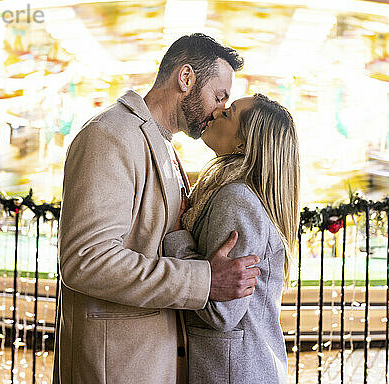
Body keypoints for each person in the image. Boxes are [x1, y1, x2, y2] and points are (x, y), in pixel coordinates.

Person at [54, 33, 261, 384]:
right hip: (115, 366)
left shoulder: (163, 144)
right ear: (186, 78)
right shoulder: (110, 135)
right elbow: (85, 260)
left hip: (149, 360)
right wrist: (205, 280)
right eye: (219, 95)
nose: (220, 109)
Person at [163, 94, 300, 383]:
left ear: (242, 143)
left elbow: (222, 312)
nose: (217, 112)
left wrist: (178, 238)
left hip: (231, 372)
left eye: (229, 113)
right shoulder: (234, 193)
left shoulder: (236, 198)